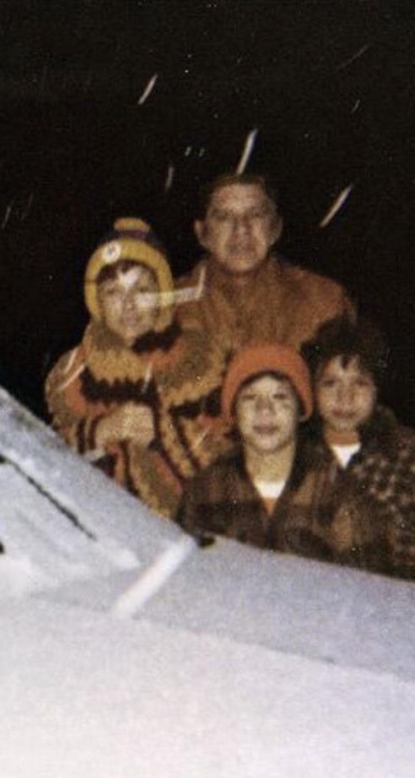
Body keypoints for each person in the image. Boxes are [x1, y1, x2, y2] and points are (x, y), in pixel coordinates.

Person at [45, 217, 228, 518]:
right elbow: (39, 454)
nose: (128, 304)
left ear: (161, 295)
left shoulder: (203, 361)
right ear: (98, 302)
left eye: (141, 290)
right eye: (113, 292)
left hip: (190, 535)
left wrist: (163, 433)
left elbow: (231, 465)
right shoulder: (72, 374)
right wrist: (96, 433)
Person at [178, 343, 387, 571]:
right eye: (250, 398)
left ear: (300, 410)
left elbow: (370, 593)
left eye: (280, 397)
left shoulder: (341, 494)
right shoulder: (204, 490)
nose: (265, 410)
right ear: (234, 413)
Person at [176, 173, 355, 356]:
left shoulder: (325, 302)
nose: (241, 229)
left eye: (255, 215)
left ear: (275, 228)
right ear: (202, 233)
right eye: (224, 217)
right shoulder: (169, 309)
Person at [301, 318, 415, 579]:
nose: (345, 398)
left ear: (377, 388)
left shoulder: (406, 455)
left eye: (359, 383)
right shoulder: (296, 456)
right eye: (330, 383)